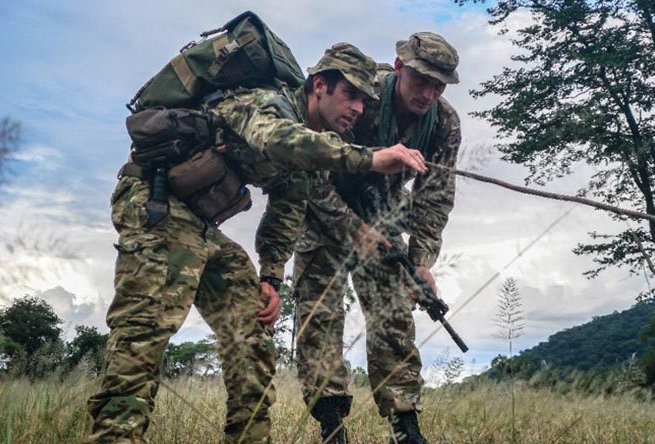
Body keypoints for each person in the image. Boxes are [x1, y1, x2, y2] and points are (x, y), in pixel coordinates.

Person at [86, 42, 428, 444]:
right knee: (144, 333)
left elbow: (286, 213)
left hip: (200, 225)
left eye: (365, 101)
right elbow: (278, 140)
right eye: (349, 94)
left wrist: (270, 276)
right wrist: (368, 158)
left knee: (253, 337)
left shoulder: (309, 151)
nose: (357, 108)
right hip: (155, 205)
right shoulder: (267, 104)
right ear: (319, 86)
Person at [293, 32, 461, 444]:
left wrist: (421, 262)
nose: (428, 93)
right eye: (421, 80)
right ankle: (331, 425)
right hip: (322, 211)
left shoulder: (443, 124)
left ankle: (405, 424)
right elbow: (308, 169)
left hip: (382, 216)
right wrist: (350, 227)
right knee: (319, 317)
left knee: (393, 317)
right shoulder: (360, 95)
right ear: (400, 69)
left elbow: (435, 197)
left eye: (438, 85)